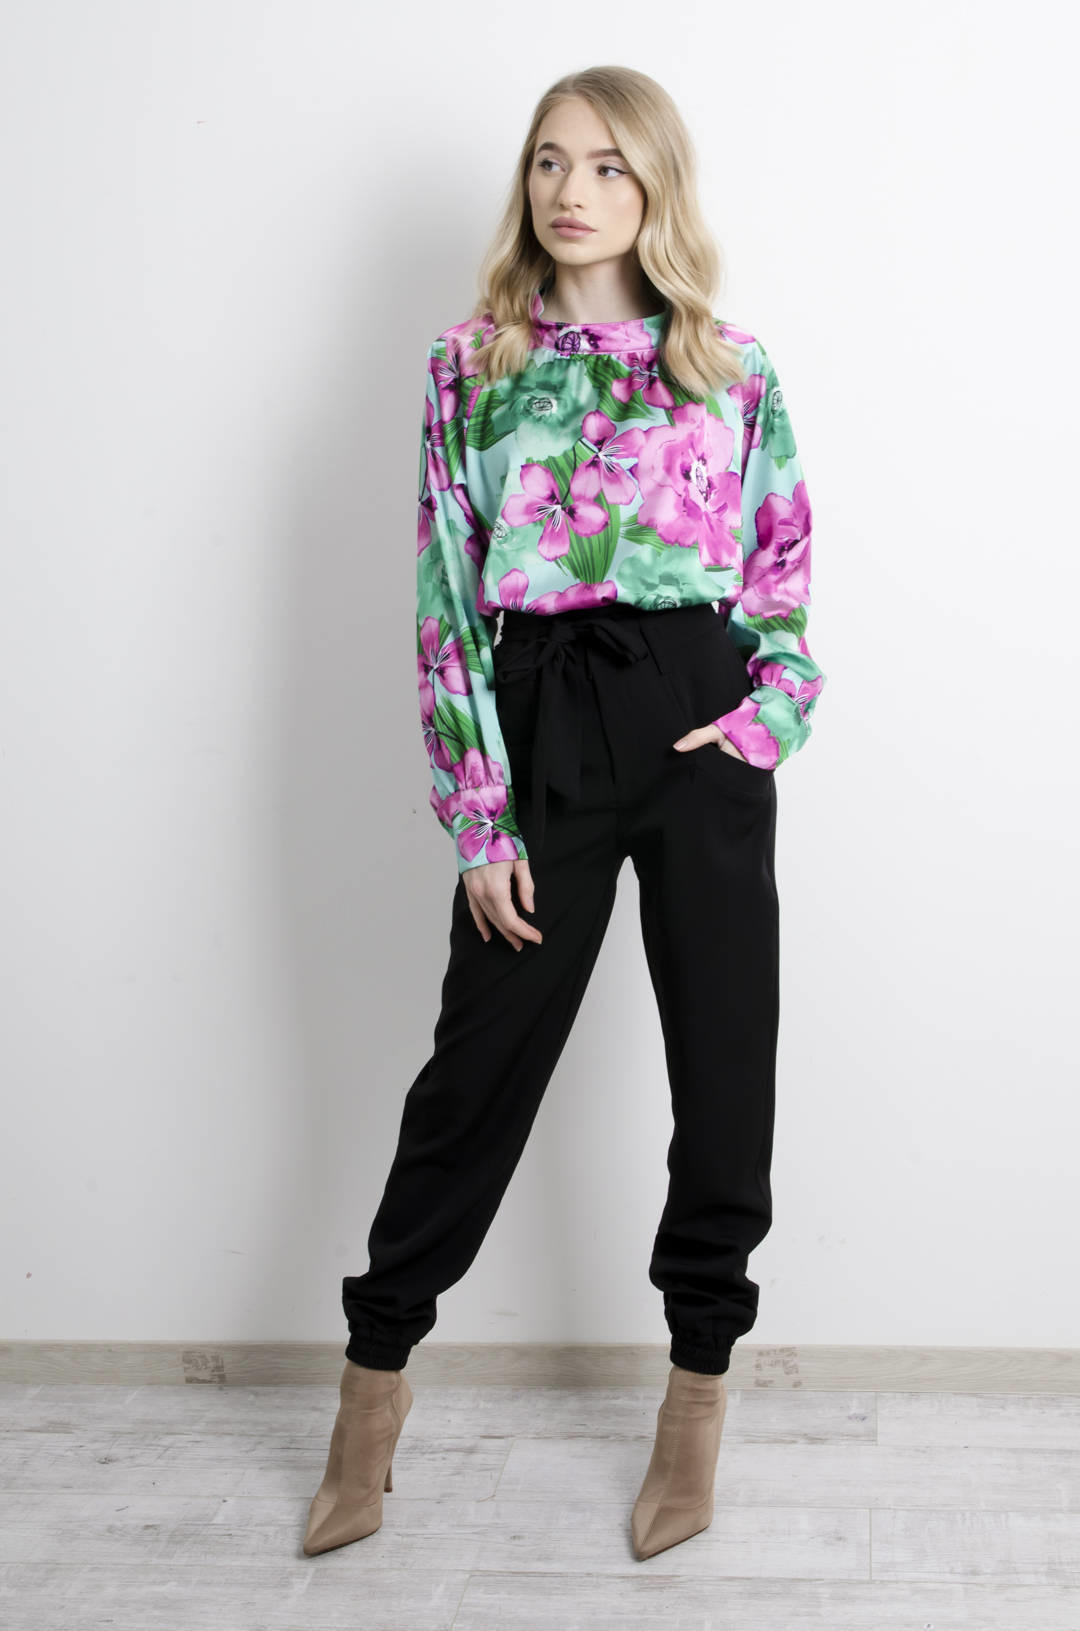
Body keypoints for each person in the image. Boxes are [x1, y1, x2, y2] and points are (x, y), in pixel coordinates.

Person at [303, 64, 826, 1562]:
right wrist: (483, 819)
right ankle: (372, 1391)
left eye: (605, 164)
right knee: (476, 1071)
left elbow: (783, 576)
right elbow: (443, 600)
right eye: (548, 161)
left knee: (724, 1071)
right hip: (544, 726)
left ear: (654, 185)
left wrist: (761, 724)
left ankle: (696, 1396)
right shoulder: (471, 368)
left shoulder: (731, 365)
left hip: (699, 718)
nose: (571, 190)